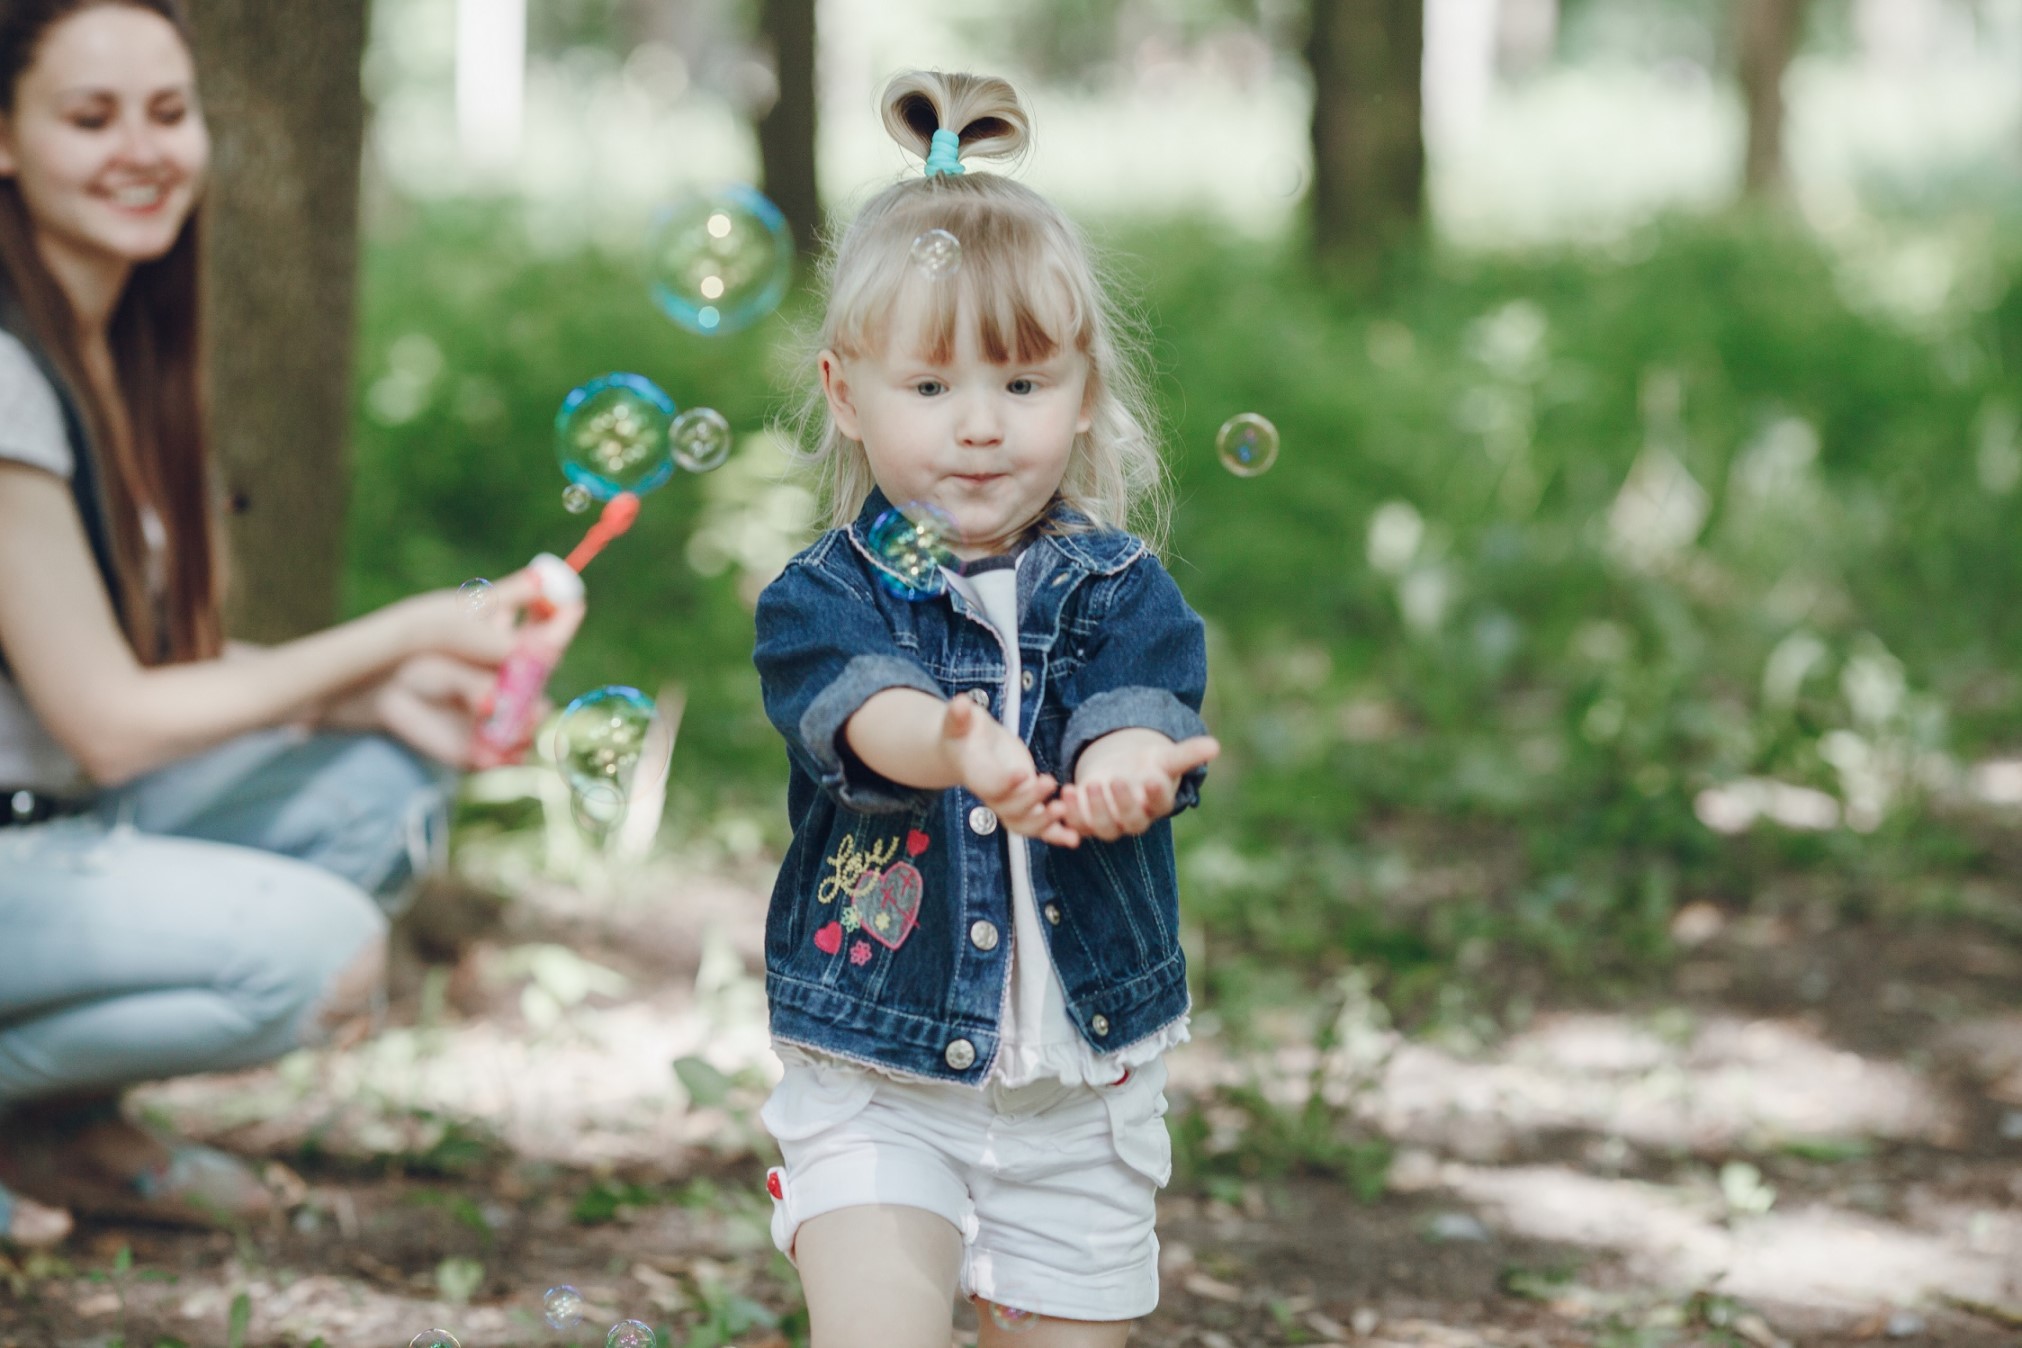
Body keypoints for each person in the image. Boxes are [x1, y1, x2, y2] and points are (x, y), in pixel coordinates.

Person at [0, 0, 559, 1246]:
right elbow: (107, 720)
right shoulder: (4, 376)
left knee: (380, 781)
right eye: (90, 118)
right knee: (319, 954)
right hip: (27, 837)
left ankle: (55, 1126)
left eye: (166, 111)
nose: (141, 150)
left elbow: (150, 667)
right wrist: (412, 627)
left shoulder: (109, 348)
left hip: (50, 830)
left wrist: (374, 692)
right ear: (6, 137)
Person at [752, 69, 1221, 1348]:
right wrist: (953, 740)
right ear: (848, 392)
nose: (979, 428)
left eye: (1022, 387)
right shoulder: (826, 593)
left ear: (1082, 393)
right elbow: (866, 720)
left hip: (1081, 1088)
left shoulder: (1123, 585)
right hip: (880, 1072)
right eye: (931, 388)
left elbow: (1137, 707)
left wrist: (1126, 770)